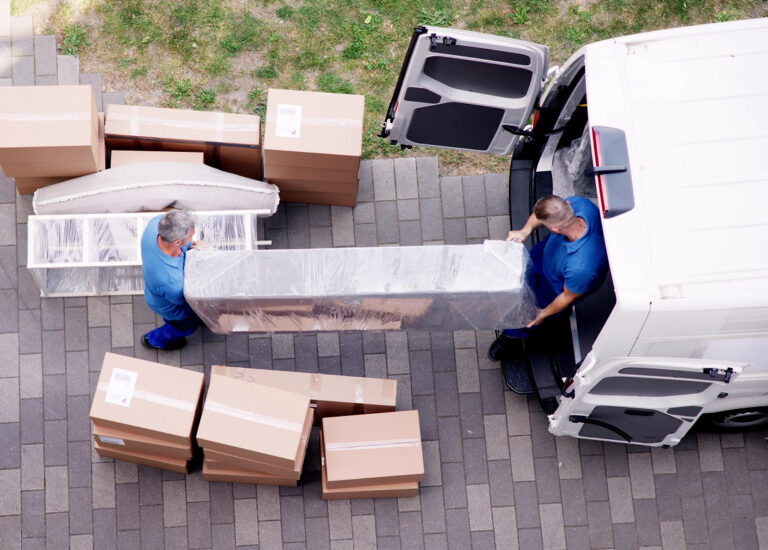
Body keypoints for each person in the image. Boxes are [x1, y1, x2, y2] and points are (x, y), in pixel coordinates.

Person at [488, 194, 608, 361]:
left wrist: (542, 314)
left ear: (555, 230)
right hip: (543, 257)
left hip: (551, 290)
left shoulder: (582, 268)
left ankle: (511, 338)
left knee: (524, 316)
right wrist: (525, 230)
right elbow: (540, 215)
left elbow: (567, 296)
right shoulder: (578, 204)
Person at [140, 210, 201, 351]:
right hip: (173, 308)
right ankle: (155, 340)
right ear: (177, 242)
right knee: (184, 327)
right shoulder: (173, 283)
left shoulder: (155, 225)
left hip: (155, 293)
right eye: (191, 236)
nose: (193, 237)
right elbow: (186, 301)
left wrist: (191, 248)